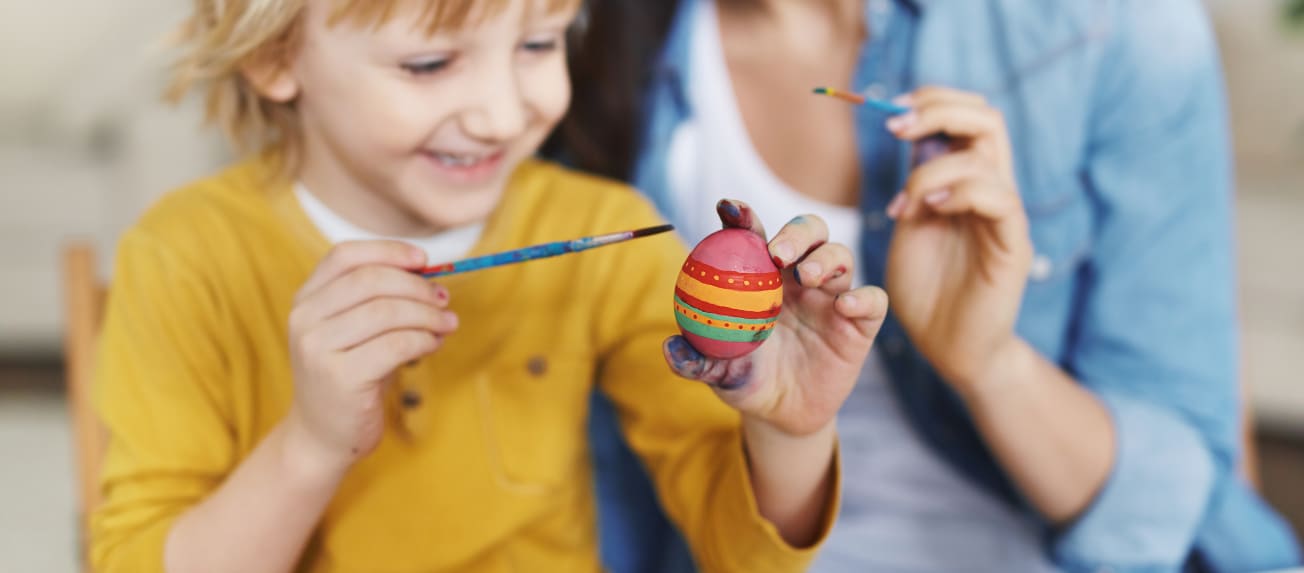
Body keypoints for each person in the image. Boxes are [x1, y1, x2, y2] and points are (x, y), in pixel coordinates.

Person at [89, 0, 893, 571]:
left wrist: (788, 430)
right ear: (275, 53)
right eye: (430, 62)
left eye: (539, 44)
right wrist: (312, 441)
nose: (505, 114)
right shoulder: (186, 254)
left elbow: (738, 549)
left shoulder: (602, 232)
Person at [547, 0, 1304, 571]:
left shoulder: (1110, 27)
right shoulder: (575, 52)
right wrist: (785, 425)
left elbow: (1177, 506)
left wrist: (986, 361)